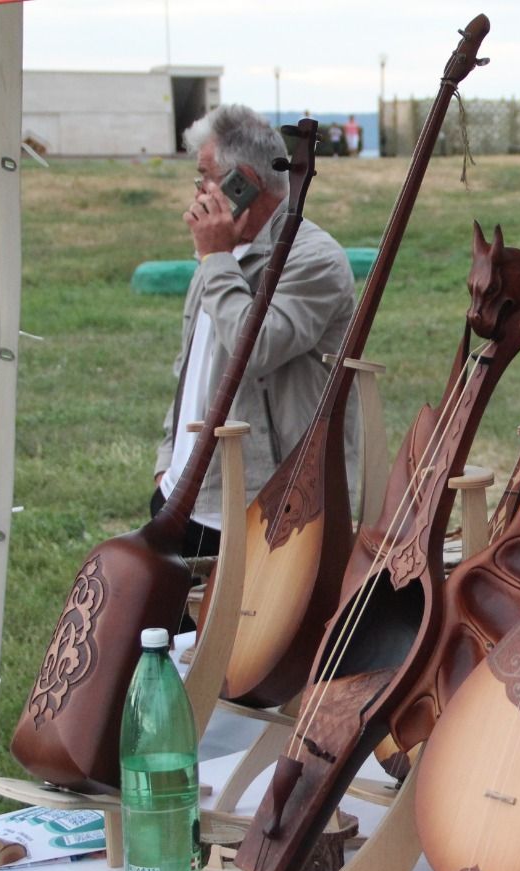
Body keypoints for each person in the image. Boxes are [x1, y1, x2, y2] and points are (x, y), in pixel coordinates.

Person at [154, 104, 358, 559]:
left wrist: (217, 259)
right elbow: (193, 369)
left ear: (241, 180)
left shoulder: (314, 260)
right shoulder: (218, 254)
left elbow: (256, 347)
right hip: (183, 495)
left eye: (204, 176)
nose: (197, 192)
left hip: (259, 506)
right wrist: (167, 460)